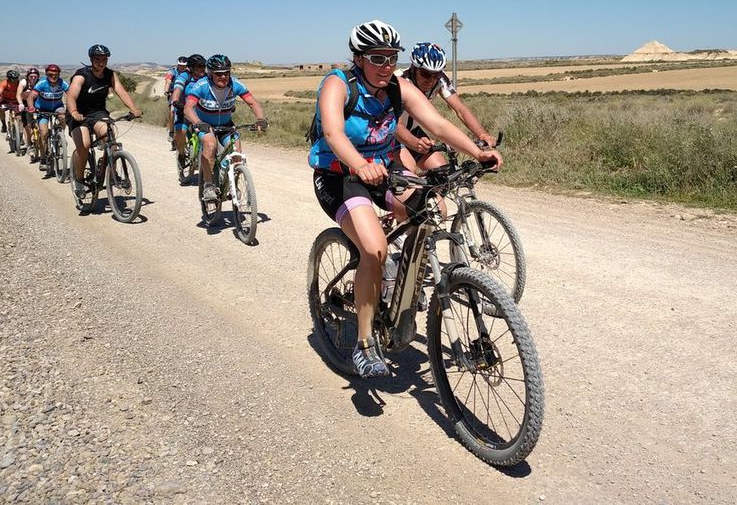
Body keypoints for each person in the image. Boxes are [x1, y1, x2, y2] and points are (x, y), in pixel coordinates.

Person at [308, 20, 502, 379]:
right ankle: (365, 343)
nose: (385, 65)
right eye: (377, 58)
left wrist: (478, 152)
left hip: (384, 173)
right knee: (375, 248)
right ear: (358, 58)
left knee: (434, 210)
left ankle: (402, 280)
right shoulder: (338, 84)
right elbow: (333, 133)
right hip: (340, 177)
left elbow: (439, 124)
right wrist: (359, 164)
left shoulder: (398, 87)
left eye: (391, 57)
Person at [395, 42, 496, 173]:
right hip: (390, 133)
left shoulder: (440, 80)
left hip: (413, 131)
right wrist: (413, 143)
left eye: (436, 74)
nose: (431, 80)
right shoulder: (398, 82)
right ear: (413, 68)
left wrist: (483, 135)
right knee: (408, 171)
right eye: (426, 74)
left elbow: (460, 109)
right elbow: (395, 124)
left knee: (441, 172)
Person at [183, 54, 267, 202]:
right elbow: (188, 107)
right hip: (205, 124)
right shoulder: (202, 86)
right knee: (210, 145)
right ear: (210, 74)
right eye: (218, 74)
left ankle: (232, 184)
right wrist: (197, 121)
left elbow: (253, 102)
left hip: (226, 125)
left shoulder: (235, 84)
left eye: (226, 73)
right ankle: (208, 185)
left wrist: (260, 119)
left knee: (236, 151)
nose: (223, 77)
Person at [65, 45, 142, 199]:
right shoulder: (81, 76)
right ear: (91, 60)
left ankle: (108, 166)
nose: (101, 63)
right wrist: (74, 112)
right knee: (85, 145)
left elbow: (121, 91)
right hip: (78, 115)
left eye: (104, 60)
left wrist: (134, 108)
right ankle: (79, 179)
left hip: (97, 113)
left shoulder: (110, 75)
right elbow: (71, 96)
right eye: (97, 59)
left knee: (111, 140)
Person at [28, 64, 69, 170]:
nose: (53, 77)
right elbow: (31, 97)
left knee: (63, 117)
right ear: (46, 74)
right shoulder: (42, 83)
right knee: (44, 133)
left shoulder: (62, 83)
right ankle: (43, 158)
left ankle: (61, 136)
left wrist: (72, 107)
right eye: (51, 74)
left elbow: (70, 95)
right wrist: (32, 107)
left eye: (56, 75)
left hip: (57, 107)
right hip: (42, 110)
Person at [169, 53, 206, 165]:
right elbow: (177, 89)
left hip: (200, 110)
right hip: (183, 108)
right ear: (192, 68)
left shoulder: (205, 77)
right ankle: (181, 153)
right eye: (199, 68)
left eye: (203, 67)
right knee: (181, 131)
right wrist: (175, 101)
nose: (202, 70)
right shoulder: (184, 76)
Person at [163, 56, 188, 149]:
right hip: (173, 93)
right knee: (173, 112)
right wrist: (166, 90)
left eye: (184, 66)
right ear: (177, 64)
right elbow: (168, 81)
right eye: (180, 65)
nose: (182, 67)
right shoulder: (172, 72)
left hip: (185, 94)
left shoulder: (188, 72)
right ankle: (172, 131)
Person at [16, 67, 41, 153]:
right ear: (28, 77)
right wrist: (20, 104)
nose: (33, 78)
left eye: (35, 76)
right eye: (31, 76)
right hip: (25, 105)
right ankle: (29, 144)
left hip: (37, 104)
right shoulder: (23, 83)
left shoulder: (40, 83)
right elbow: (18, 94)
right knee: (28, 127)